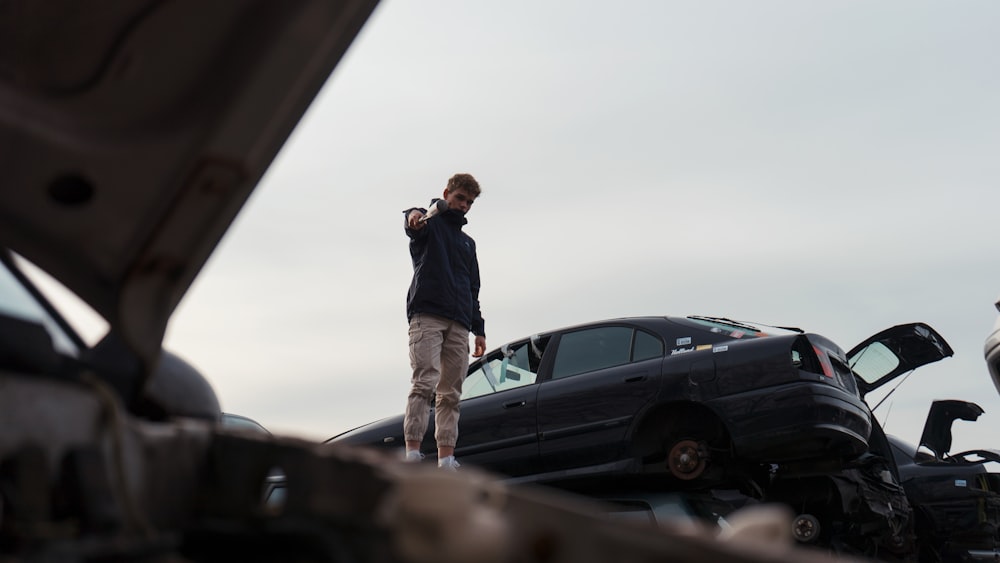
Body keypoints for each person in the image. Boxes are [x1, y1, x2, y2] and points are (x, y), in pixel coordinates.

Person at [401, 173, 487, 470]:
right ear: (447, 193)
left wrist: (479, 329)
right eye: (460, 198)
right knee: (424, 382)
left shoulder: (468, 243)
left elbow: (473, 287)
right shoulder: (429, 222)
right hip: (428, 314)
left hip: (460, 322)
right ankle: (412, 452)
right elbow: (414, 221)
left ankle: (446, 458)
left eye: (469, 202)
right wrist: (415, 215)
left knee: (451, 393)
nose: (464, 205)